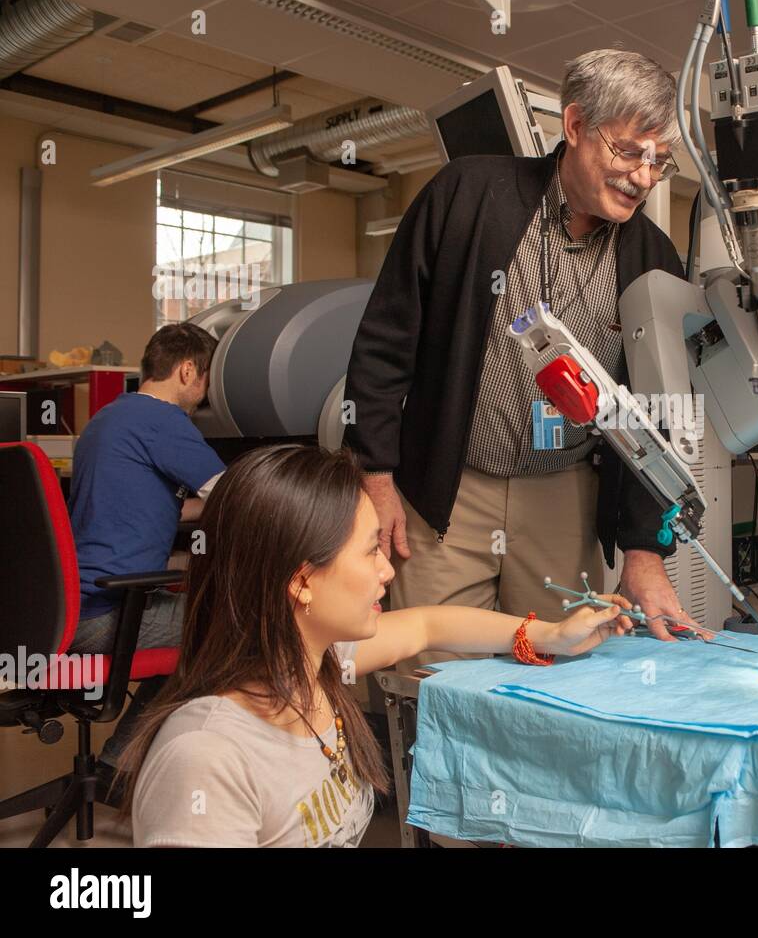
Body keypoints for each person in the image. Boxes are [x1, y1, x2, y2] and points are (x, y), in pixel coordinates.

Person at [343, 49, 690, 662]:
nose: (643, 176)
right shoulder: (468, 195)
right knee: (437, 680)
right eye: (629, 152)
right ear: (576, 125)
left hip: (566, 500)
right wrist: (375, 475)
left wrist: (644, 548)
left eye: (659, 161)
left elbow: (656, 414)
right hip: (451, 493)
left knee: (558, 680)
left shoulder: (652, 257)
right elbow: (382, 343)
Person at [119, 445, 631, 847]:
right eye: (370, 552)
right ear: (302, 583)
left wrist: (551, 635)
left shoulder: (315, 666)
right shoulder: (204, 757)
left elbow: (430, 625)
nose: (388, 571)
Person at [69, 323, 225, 653]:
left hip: (70, 611)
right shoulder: (163, 420)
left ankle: (154, 707)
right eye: (208, 378)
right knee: (240, 620)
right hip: (109, 615)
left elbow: (145, 505)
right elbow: (236, 495)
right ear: (187, 370)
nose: (207, 392)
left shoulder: (105, 417)